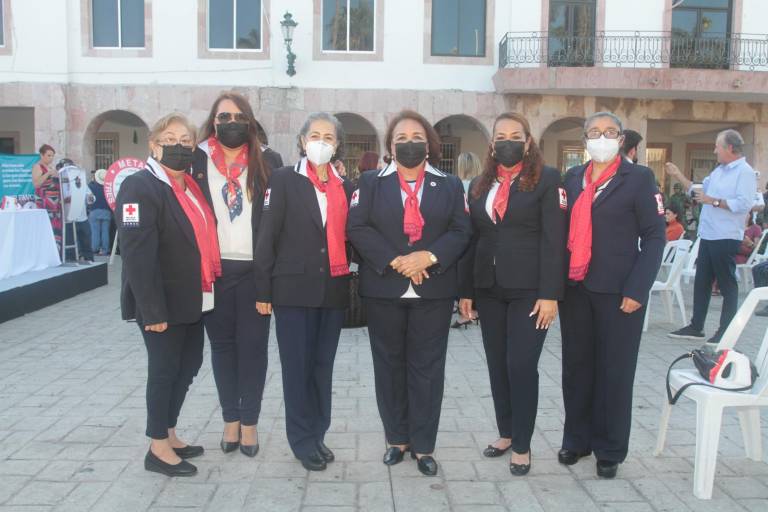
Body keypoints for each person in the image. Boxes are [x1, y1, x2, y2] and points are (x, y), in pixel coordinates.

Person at [347, 110, 472, 477]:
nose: (409, 143)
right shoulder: (370, 182)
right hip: (384, 287)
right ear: (390, 145)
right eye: (400, 138)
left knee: (427, 369)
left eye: (416, 136)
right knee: (388, 366)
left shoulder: (448, 185)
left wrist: (428, 257)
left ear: (429, 143)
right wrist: (395, 260)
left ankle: (424, 445)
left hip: (432, 289)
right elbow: (357, 226)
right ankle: (396, 440)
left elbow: (461, 231)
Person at [458, 112, 566, 476]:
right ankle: (505, 432)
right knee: (497, 364)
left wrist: (550, 293)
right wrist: (466, 291)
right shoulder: (478, 185)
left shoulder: (547, 180)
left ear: (528, 141)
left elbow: (555, 241)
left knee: (521, 366)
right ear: (491, 144)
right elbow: (472, 239)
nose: (507, 141)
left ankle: (523, 443)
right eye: (500, 135)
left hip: (530, 292)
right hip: (488, 289)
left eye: (514, 135)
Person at [559, 112, 665, 479]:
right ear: (584, 139)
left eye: (609, 132)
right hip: (576, 288)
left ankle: (609, 448)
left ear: (621, 139)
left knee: (615, 372)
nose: (601, 138)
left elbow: (655, 237)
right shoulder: (573, 178)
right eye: (594, 132)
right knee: (576, 368)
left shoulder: (638, 178)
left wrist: (638, 288)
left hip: (621, 294)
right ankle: (576, 439)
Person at [117, 112, 220, 477]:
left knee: (187, 367)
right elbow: (136, 254)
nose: (179, 147)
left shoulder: (189, 185)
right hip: (161, 303)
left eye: (186, 142)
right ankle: (157, 446)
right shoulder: (139, 187)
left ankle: (170, 432)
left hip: (193, 297)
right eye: (170, 140)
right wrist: (151, 310)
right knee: (164, 371)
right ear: (153, 145)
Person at [254, 112, 354, 472]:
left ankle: (318, 433)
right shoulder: (283, 180)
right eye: (315, 135)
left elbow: (349, 236)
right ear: (301, 141)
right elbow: (267, 237)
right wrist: (262, 289)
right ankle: (301, 441)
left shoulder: (345, 186)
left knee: (321, 368)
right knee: (297, 368)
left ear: (338, 144)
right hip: (292, 292)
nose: (322, 142)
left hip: (333, 290)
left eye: (329, 137)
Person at [191, 92, 271, 458]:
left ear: (250, 121)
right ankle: (230, 420)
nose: (231, 122)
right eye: (224, 116)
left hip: (256, 270)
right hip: (215, 269)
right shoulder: (196, 159)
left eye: (239, 116)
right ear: (213, 121)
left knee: (253, 350)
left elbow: (275, 223)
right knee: (222, 348)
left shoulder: (268, 161)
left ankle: (250, 422)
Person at [666, 129, 757, 344]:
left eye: (718, 146)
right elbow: (698, 191)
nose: (714, 150)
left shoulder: (744, 172)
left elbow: (744, 204)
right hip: (708, 234)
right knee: (702, 282)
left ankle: (726, 331)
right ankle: (696, 326)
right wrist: (678, 175)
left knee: (727, 284)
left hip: (726, 236)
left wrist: (713, 201)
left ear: (730, 148)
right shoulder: (719, 171)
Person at [58, 159, 95, 263]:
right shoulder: (60, 184)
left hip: (82, 216)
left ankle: (88, 259)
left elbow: (90, 196)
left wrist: (90, 198)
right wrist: (65, 200)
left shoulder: (80, 182)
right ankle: (71, 260)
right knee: (69, 240)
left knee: (86, 240)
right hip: (68, 217)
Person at [32, 144, 62, 252]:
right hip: (44, 203)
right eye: (49, 155)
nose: (51, 158)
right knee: (47, 228)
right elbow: (36, 184)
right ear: (41, 155)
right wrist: (48, 174)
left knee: (56, 229)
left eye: (52, 156)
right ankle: (46, 252)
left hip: (55, 204)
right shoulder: (37, 167)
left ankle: (56, 252)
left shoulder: (51, 168)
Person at [89, 169, 112, 255]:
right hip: (106, 211)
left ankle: (95, 249)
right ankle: (105, 250)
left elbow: (88, 199)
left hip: (94, 211)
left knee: (95, 231)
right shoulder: (108, 187)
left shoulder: (91, 186)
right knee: (105, 231)